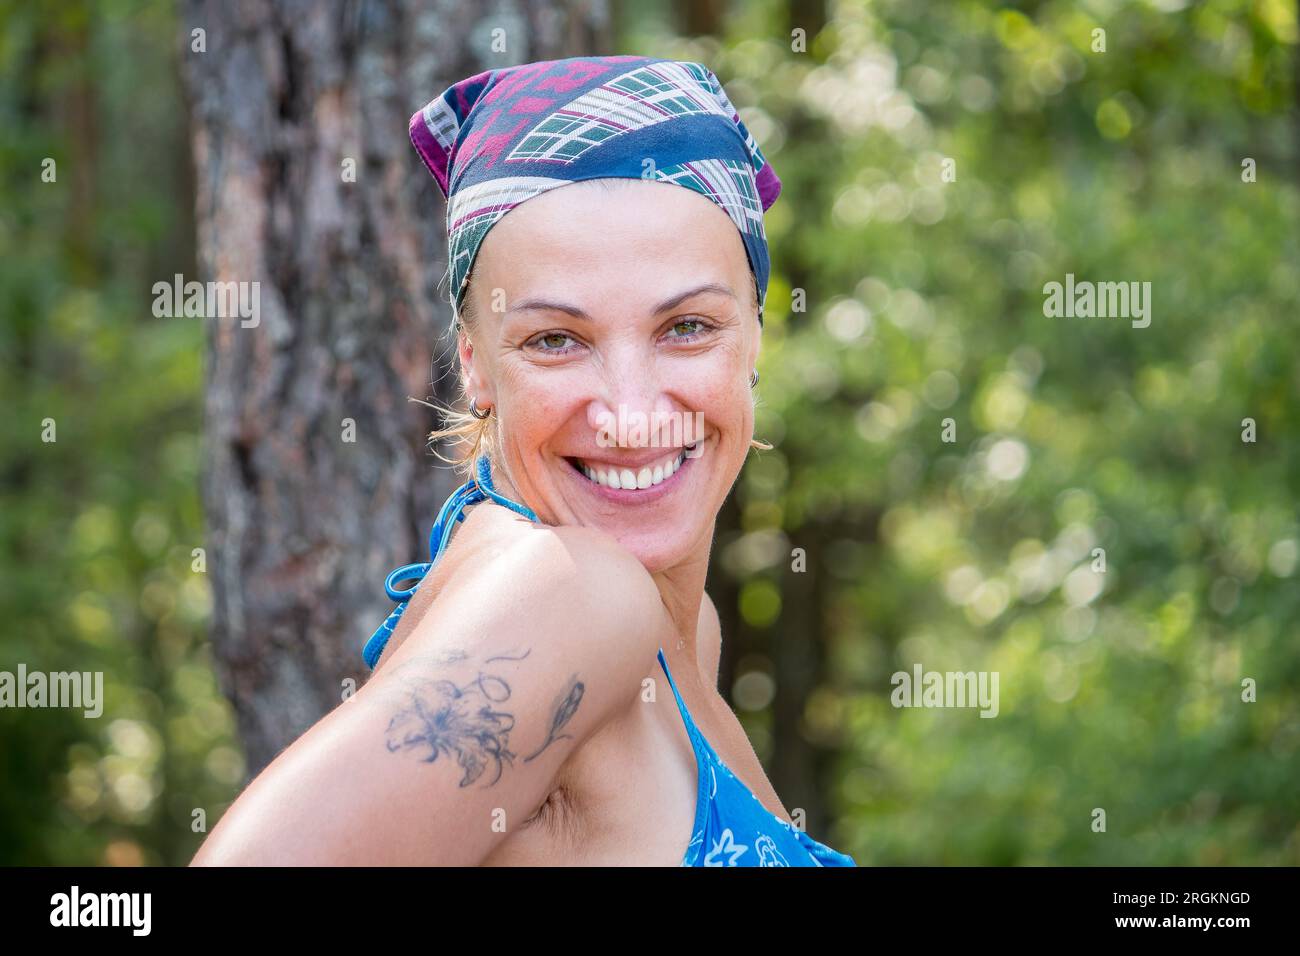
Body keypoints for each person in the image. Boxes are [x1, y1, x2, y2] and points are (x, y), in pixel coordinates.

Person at [192, 55, 856, 867]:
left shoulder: (685, 633)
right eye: (556, 340)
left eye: (687, 327)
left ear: (754, 333)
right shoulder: (575, 600)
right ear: (474, 364)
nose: (631, 412)